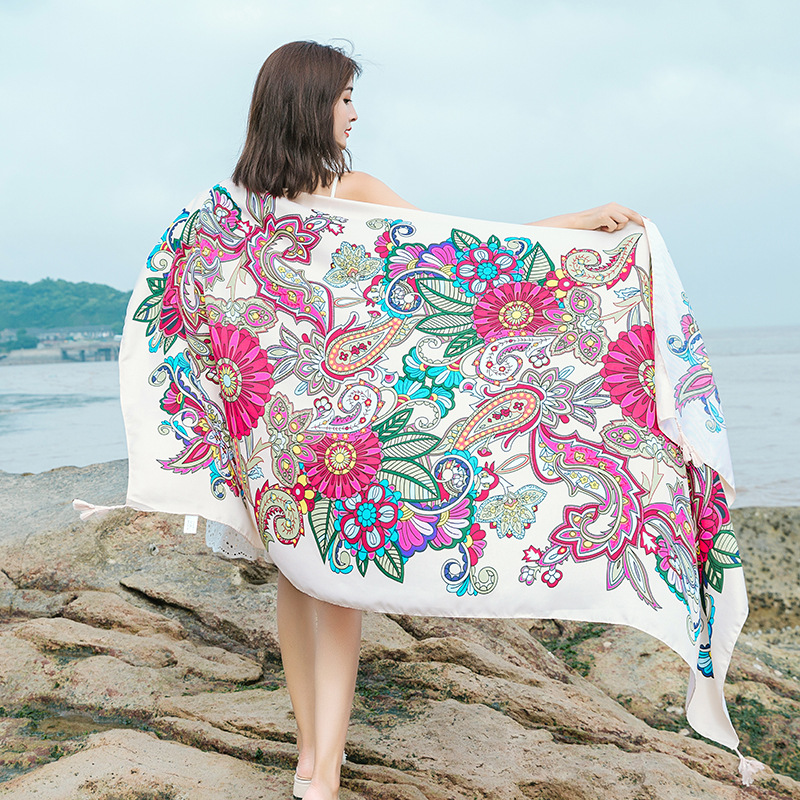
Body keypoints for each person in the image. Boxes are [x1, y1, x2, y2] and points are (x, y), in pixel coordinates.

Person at [228, 40, 644, 800]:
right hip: (341, 436)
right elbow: (471, 253)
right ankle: (324, 770)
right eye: (344, 98)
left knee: (297, 580)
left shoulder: (240, 205)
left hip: (276, 433)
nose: (355, 113)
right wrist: (580, 226)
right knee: (338, 591)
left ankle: (310, 757)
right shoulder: (350, 189)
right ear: (309, 103)